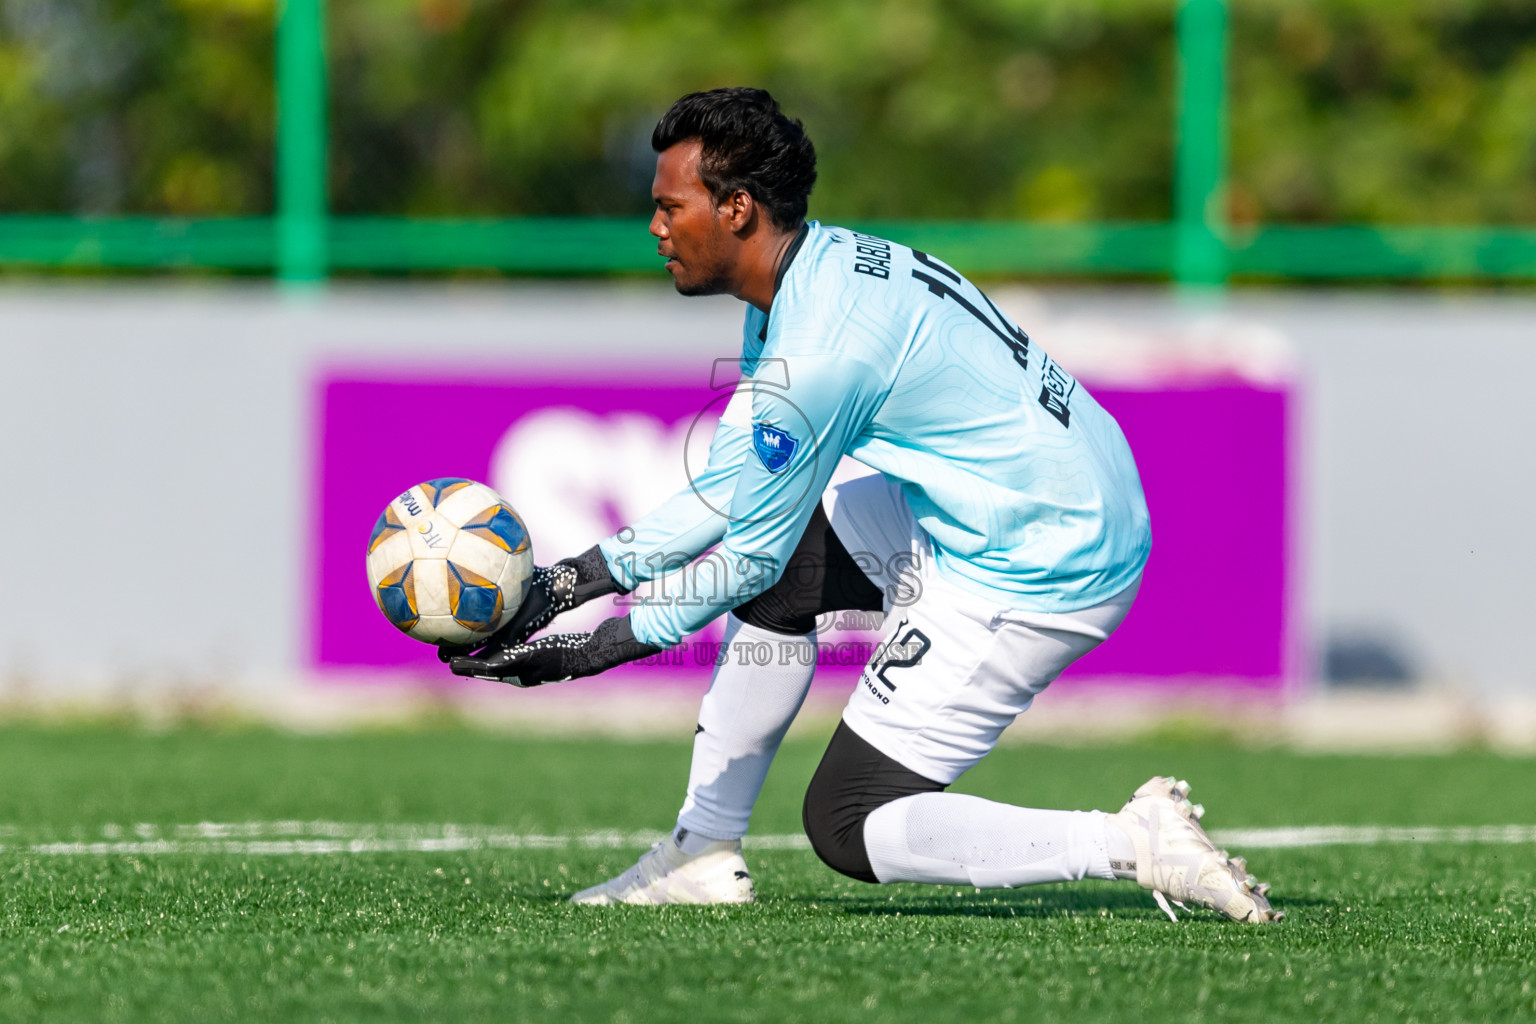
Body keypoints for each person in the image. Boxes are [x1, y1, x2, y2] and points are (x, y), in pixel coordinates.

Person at [445, 87, 1280, 923]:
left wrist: (590, 652)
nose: (655, 227)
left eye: (670, 207)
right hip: (1036, 495)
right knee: (792, 577)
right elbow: (731, 489)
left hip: (1047, 552)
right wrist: (569, 584)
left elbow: (746, 558)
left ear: (737, 209)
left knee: (847, 821)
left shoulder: (817, 351)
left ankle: (1132, 840)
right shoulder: (809, 267)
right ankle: (699, 853)